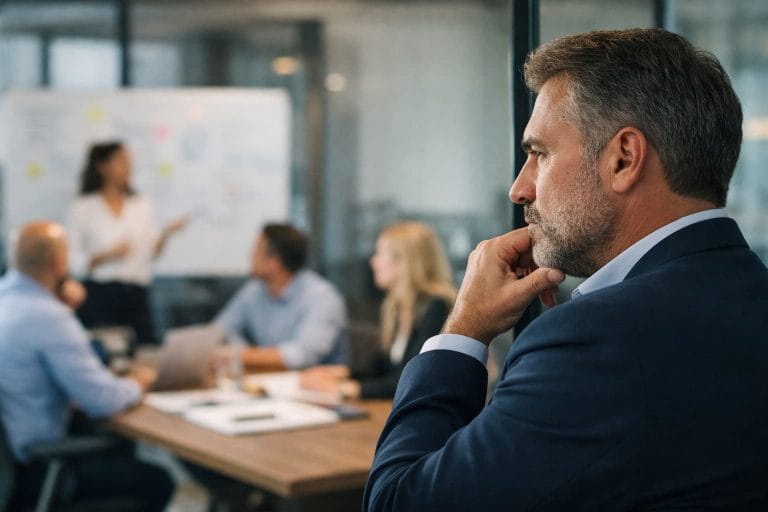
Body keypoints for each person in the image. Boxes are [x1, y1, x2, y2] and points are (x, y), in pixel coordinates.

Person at [364, 28, 768, 511]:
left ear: (623, 158)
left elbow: (397, 502)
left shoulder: (599, 340)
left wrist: (464, 330)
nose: (520, 188)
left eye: (539, 154)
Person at [0, 221, 174, 511]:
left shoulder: (7, 301)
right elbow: (102, 400)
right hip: (44, 468)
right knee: (156, 482)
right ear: (58, 264)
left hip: (16, 465)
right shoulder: (49, 317)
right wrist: (138, 381)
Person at [301, 221, 456, 399]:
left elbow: (413, 381)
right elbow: (382, 370)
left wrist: (344, 389)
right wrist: (339, 374)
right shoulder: (397, 306)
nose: (373, 262)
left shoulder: (438, 307)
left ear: (403, 261)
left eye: (380, 254)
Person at [67, 141, 186, 345]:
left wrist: (165, 234)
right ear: (102, 167)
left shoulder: (141, 205)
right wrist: (107, 256)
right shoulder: (83, 207)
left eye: (129, 162)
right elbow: (72, 259)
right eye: (121, 161)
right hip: (100, 294)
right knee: (107, 351)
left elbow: (151, 253)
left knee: (145, 348)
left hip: (136, 292)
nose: (128, 167)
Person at [214, 223, 347, 371]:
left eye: (256, 251)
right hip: (269, 380)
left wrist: (239, 355)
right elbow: (220, 330)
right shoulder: (254, 290)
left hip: (314, 385)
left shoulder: (322, 297)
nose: (250, 256)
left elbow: (304, 355)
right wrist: (238, 349)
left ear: (274, 263)